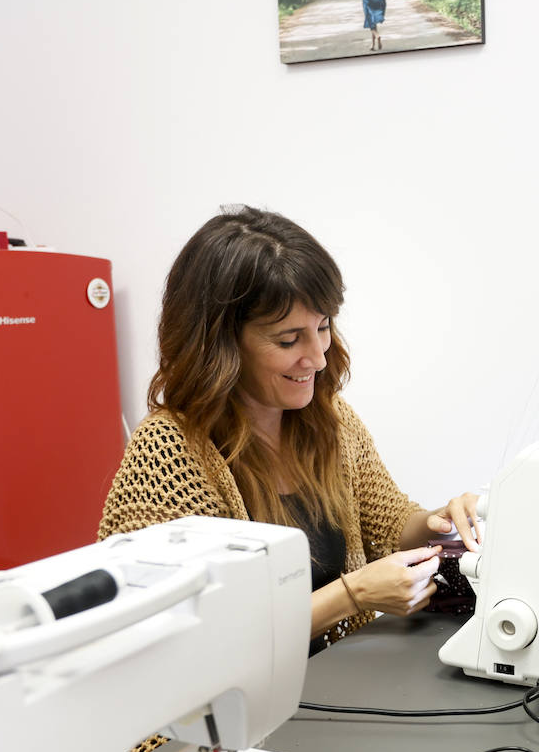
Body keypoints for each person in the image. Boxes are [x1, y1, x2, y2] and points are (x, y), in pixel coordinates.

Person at [98, 206, 481, 652]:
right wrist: (351, 595)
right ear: (219, 344)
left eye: (323, 327)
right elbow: (188, 637)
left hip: (330, 687)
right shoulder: (168, 452)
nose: (318, 357)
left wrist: (445, 520)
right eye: (287, 339)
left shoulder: (331, 420)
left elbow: (389, 523)